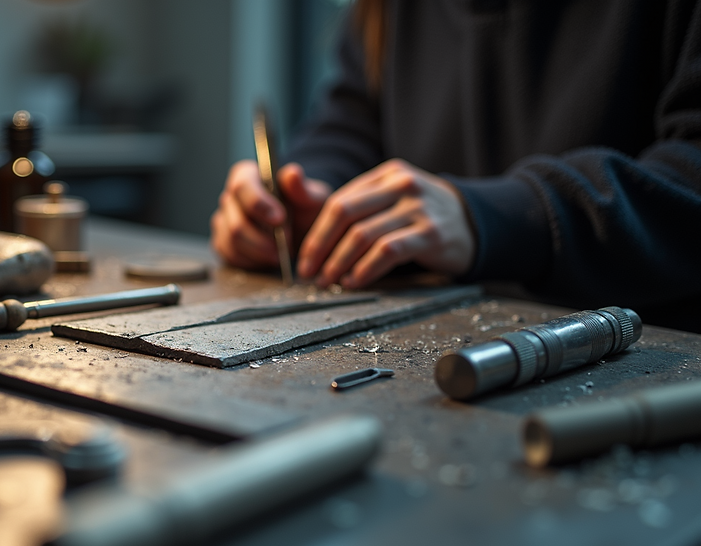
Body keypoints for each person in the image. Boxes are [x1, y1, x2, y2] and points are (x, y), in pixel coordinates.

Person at [211, 0, 701, 332]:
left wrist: (493, 217)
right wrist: (304, 195)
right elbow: (354, 119)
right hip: (448, 338)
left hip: (649, 361)